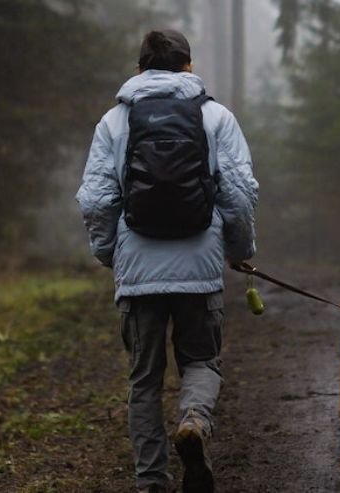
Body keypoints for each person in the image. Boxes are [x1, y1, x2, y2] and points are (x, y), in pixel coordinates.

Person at [76, 29, 258, 493]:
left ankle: (151, 481)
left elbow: (97, 201)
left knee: (145, 382)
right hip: (199, 270)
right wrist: (238, 252)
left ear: (139, 70)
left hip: (138, 272)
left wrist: (108, 253)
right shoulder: (215, 117)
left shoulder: (113, 122)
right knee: (202, 362)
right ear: (189, 68)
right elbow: (237, 196)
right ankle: (194, 420)